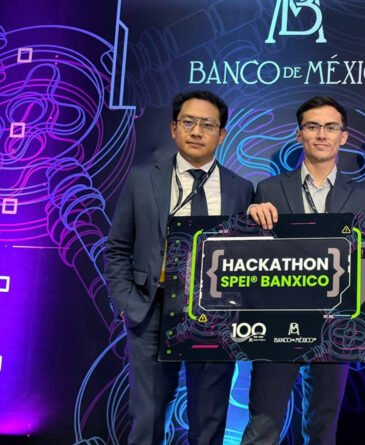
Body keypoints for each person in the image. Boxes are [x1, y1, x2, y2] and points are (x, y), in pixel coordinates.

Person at [105, 90, 254, 444]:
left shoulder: (242, 189)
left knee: (210, 417)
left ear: (222, 134)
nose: (197, 131)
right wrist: (128, 303)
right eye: (188, 122)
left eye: (207, 125)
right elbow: (118, 248)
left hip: (214, 314)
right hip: (151, 310)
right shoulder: (143, 179)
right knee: (147, 416)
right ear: (174, 128)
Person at [243, 96, 365, 445]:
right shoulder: (268, 189)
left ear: (343, 137)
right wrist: (251, 218)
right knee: (263, 424)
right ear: (299, 134)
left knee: (322, 426)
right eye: (313, 126)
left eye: (330, 127)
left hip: (336, 325)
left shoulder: (363, 197)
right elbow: (252, 258)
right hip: (277, 321)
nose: (321, 134)